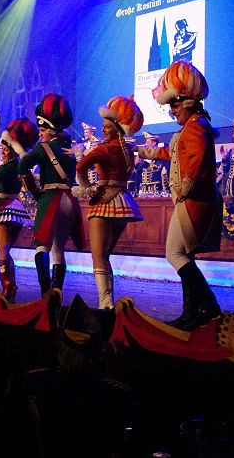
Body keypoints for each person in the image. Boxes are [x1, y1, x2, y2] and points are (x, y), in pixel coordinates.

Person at [137, 60, 222, 331]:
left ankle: (209, 306)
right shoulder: (193, 126)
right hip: (191, 200)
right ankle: (190, 313)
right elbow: (172, 154)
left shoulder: (195, 127)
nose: (172, 111)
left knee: (175, 254)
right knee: (184, 255)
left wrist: (185, 188)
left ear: (186, 102)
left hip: (194, 201)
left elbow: (196, 160)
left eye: (174, 106)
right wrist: (141, 151)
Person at [74, 95, 145, 309]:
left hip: (104, 200)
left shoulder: (104, 149)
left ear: (117, 127)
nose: (103, 129)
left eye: (107, 126)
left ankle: (105, 304)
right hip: (123, 201)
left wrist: (86, 187)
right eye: (103, 126)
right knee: (105, 256)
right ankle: (108, 301)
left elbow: (80, 167)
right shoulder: (127, 150)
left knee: (98, 256)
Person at [18, 93, 86, 296]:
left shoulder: (43, 148)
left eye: (41, 130)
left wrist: (35, 192)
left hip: (50, 199)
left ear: (49, 129)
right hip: (69, 200)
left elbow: (22, 167)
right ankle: (57, 292)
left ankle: (46, 293)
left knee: (42, 245)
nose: (40, 135)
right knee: (59, 249)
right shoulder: (71, 148)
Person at [0, 117, 38, 302]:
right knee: (6, 251)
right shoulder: (19, 166)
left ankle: (7, 288)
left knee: (3, 251)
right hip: (16, 208)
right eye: (3, 149)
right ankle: (10, 286)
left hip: (2, 208)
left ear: (13, 149)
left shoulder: (3, 169)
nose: (2, 152)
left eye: (6, 149)